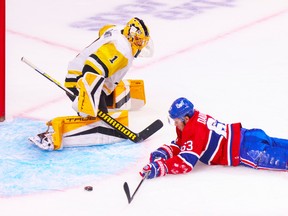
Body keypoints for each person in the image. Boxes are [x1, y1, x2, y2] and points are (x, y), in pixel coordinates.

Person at [140, 97, 288, 179]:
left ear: (185, 118)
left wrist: (161, 167)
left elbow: (186, 162)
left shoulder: (194, 131)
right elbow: (183, 144)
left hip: (248, 151)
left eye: (176, 121)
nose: (175, 124)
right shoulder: (196, 118)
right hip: (249, 135)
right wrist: (165, 152)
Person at [64, 17, 153, 117]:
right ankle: (93, 119)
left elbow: (104, 29)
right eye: (138, 41)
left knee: (106, 76)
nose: (140, 45)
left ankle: (104, 98)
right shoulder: (121, 49)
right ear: (130, 36)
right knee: (98, 117)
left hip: (83, 74)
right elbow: (91, 69)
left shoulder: (117, 30)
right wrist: (88, 102)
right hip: (79, 81)